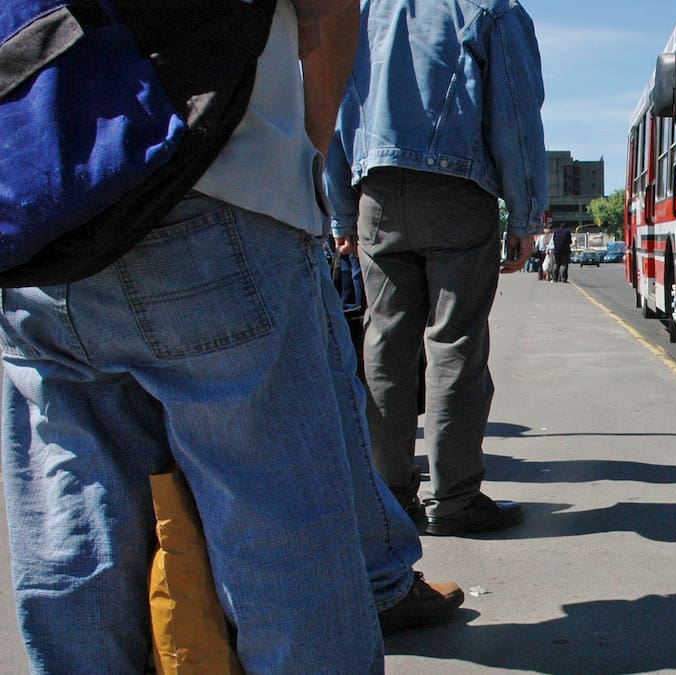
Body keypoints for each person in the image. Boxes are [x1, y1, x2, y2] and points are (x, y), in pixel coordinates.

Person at [0, 2, 459, 672]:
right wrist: (303, 159)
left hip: (34, 201)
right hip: (213, 176)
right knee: (282, 548)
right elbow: (327, 16)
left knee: (77, 547)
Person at [326, 0, 548, 536]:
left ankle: (391, 501)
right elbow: (515, 114)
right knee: (456, 345)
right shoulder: (492, 9)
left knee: (385, 347)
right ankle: (455, 501)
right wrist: (524, 213)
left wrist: (340, 209)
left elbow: (337, 106)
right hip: (457, 191)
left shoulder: (366, 10)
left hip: (375, 190)